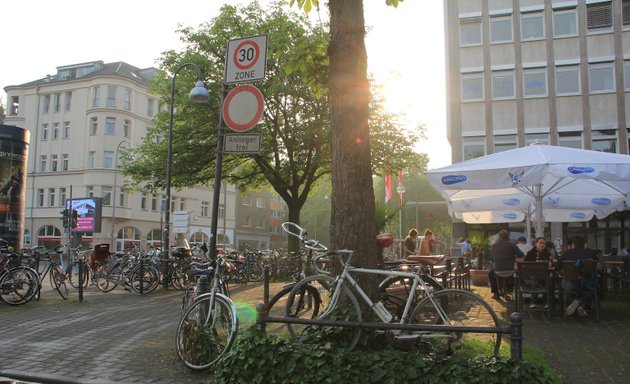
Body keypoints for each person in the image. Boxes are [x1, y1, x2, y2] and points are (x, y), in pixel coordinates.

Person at [558, 235, 600, 317]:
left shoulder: (567, 253)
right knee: (593, 287)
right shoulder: (590, 253)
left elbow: (557, 266)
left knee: (565, 286)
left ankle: (575, 302)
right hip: (586, 284)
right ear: (584, 244)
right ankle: (581, 304)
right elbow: (598, 266)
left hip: (571, 284)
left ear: (573, 245)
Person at [489, 229, 524, 300]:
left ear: (499, 237)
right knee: (519, 273)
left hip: (498, 271)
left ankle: (496, 293)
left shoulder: (494, 245)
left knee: (491, 273)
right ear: (508, 236)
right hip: (510, 270)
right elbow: (520, 255)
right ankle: (511, 291)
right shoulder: (512, 244)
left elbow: (492, 258)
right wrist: (513, 256)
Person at [524, 237, 552, 308]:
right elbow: (525, 264)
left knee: (547, 279)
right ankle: (544, 302)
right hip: (531, 277)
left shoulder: (548, 253)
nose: (542, 245)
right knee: (538, 279)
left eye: (544, 243)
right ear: (536, 243)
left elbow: (551, 264)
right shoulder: (531, 253)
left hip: (544, 275)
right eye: (540, 243)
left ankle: (535, 302)